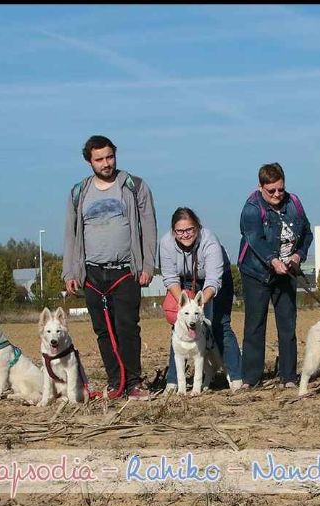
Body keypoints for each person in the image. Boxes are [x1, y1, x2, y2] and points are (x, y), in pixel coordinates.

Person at [63, 135, 157, 400]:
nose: (106, 163)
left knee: (127, 327)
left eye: (109, 157)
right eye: (99, 159)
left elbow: (149, 228)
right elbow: (70, 234)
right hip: (92, 272)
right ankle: (116, 382)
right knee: (103, 331)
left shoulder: (134, 186)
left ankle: (134, 383)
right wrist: (70, 271)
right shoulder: (78, 193)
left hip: (126, 269)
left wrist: (148, 264)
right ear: (89, 161)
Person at [237, 162, 313, 389]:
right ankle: (251, 378)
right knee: (255, 325)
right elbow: (255, 240)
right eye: (271, 191)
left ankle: (289, 377)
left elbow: (307, 232)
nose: (277, 194)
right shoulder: (251, 208)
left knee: (288, 324)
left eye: (281, 189)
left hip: (287, 272)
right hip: (256, 273)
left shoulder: (294, 203)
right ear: (260, 187)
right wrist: (273, 260)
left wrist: (299, 255)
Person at [159, 207, 242, 392]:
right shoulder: (165, 243)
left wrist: (198, 303)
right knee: (181, 324)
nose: (185, 235)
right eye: (180, 231)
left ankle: (236, 376)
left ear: (197, 227)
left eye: (190, 229)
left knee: (219, 324)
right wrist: (184, 304)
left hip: (216, 279)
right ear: (173, 231)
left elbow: (213, 280)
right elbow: (170, 277)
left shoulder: (209, 241)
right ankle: (173, 382)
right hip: (184, 280)